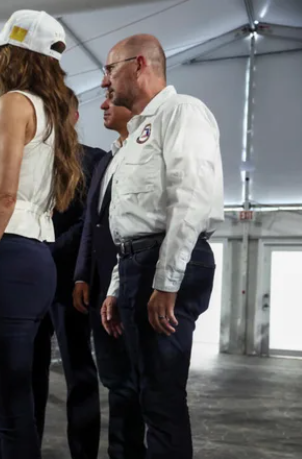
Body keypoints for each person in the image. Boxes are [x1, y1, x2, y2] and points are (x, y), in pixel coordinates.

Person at [0, 10, 83, 459]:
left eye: (2, 51)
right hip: (36, 259)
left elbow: (3, 194)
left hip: (9, 256)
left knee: (9, 408)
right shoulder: (53, 115)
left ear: (20, 55)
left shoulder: (14, 103)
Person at [100, 34, 224, 459]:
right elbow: (131, 221)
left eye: (110, 69)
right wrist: (117, 286)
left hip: (167, 262)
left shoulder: (181, 112)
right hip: (140, 264)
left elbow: (189, 198)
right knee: (144, 391)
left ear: (138, 65)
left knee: (161, 396)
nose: (104, 82)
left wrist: (167, 282)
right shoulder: (136, 134)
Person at [30, 87, 105, 459]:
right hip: (31, 282)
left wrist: (46, 252)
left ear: (74, 116)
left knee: (79, 370)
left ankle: (83, 453)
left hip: (69, 281)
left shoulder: (94, 160)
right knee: (30, 371)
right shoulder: (29, 161)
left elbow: (90, 222)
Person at [72, 90, 146, 459]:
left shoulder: (145, 152)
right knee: (116, 380)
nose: (102, 105)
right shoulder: (107, 160)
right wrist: (82, 275)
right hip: (102, 286)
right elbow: (92, 223)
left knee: (135, 382)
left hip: (132, 280)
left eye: (111, 99)